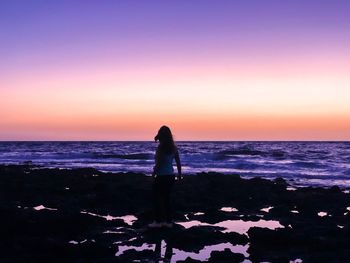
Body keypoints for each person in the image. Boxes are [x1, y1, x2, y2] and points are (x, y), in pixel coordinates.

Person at [148, 125, 182, 228]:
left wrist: (153, 174)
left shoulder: (160, 148)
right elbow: (178, 162)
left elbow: (159, 163)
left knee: (156, 198)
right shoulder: (173, 147)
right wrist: (179, 175)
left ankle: (158, 222)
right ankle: (168, 222)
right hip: (171, 176)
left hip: (161, 176)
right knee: (166, 199)